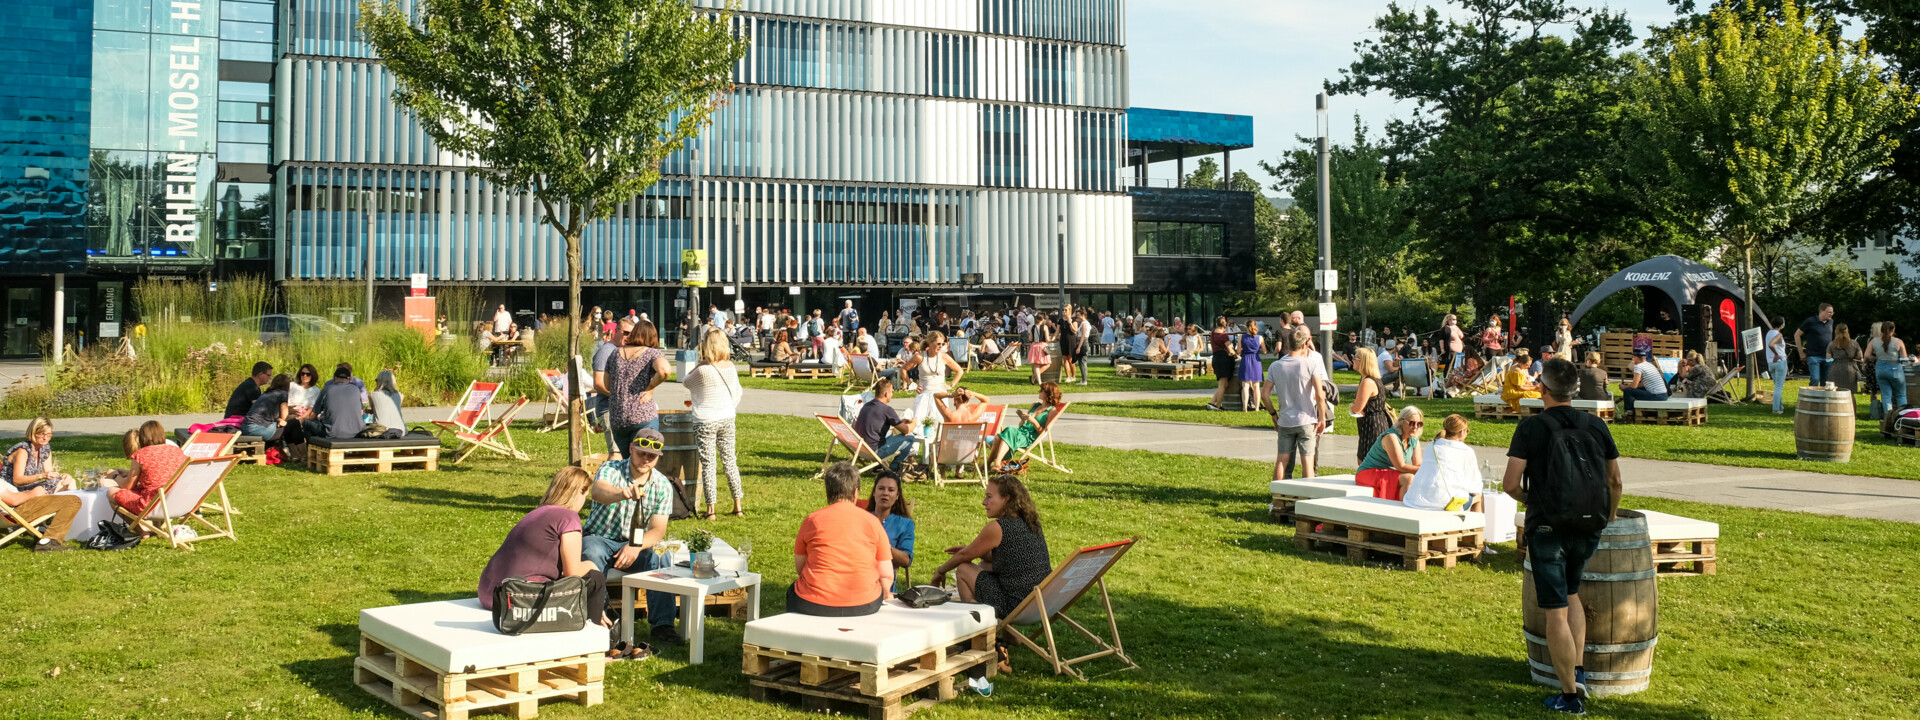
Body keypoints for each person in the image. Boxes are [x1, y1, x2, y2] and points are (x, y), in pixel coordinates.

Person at [1502, 358, 1623, 716]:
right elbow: (1615, 481)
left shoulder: (1531, 428)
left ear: (1542, 389)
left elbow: (1510, 484)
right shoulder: (1597, 425)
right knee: (1573, 594)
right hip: (1589, 525)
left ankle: (1569, 696)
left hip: (1548, 528)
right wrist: (1609, 515)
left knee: (1554, 610)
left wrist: (1532, 499)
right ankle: (1579, 672)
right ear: (1575, 390)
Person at [930, 474, 1051, 673]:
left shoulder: (999, 527)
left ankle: (983, 633)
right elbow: (1007, 557)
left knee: (963, 570)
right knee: (984, 563)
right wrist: (972, 551)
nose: (983, 502)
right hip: (1038, 601)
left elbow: (965, 557)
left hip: (1014, 604)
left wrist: (941, 570)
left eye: (989, 497)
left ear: (1007, 499)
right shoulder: (1030, 522)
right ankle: (1005, 632)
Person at [476, 467, 613, 632]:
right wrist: (592, 565)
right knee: (595, 578)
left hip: (489, 592)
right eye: (585, 494)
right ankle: (594, 636)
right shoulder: (569, 517)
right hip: (518, 597)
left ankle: (593, 621)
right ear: (579, 492)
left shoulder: (536, 513)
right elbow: (573, 572)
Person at [579, 430, 683, 645]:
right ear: (631, 449)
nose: (645, 459)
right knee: (592, 552)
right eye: (641, 453)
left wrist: (635, 546)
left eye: (651, 456)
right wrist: (622, 494)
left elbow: (657, 530)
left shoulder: (663, 485)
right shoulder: (610, 468)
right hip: (600, 537)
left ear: (658, 457)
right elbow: (598, 491)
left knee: (661, 558)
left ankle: (663, 626)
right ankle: (601, 620)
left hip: (634, 542)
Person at [790, 462, 894, 617]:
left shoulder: (812, 520)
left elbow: (801, 567)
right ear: (856, 492)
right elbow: (886, 574)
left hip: (813, 603)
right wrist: (886, 594)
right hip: (865, 603)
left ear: (828, 492)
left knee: (792, 591)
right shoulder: (872, 522)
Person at [687, 330, 745, 519]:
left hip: (706, 419)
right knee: (730, 461)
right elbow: (738, 391)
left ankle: (711, 509)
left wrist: (700, 364)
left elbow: (686, 382)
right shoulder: (730, 367)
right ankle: (738, 505)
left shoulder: (703, 370)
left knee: (708, 464)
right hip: (727, 417)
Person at [1264, 327, 1328, 480]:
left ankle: (1278, 499)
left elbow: (1264, 395)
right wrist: (1322, 417)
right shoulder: (1311, 364)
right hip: (1306, 419)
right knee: (1307, 463)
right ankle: (1306, 498)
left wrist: (1273, 414)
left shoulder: (1276, 366)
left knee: (1281, 461)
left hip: (1285, 420)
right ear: (1305, 344)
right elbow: (1319, 395)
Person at [606, 319, 672, 458]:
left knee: (628, 465)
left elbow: (607, 385)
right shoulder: (651, 353)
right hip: (643, 415)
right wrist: (650, 387)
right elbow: (665, 371)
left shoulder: (615, 354)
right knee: (644, 463)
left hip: (618, 418)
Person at [109, 421, 187, 526]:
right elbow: (158, 473)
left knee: (111, 492)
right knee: (154, 488)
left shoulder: (141, 455)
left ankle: (140, 531)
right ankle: (157, 527)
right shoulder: (176, 451)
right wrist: (128, 473)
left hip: (151, 506)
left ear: (142, 437)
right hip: (178, 502)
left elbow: (128, 486)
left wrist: (114, 476)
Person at [1403, 414, 1485, 513]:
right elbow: (1475, 485)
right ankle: (1477, 527)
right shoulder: (1466, 451)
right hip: (1443, 502)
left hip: (1415, 499)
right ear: (1462, 432)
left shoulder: (1432, 445)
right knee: (1479, 496)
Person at [986, 382, 1063, 473]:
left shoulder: (1052, 411)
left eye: (1041, 390)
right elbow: (1021, 426)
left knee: (1010, 430)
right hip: (1020, 433)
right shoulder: (1035, 405)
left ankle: (997, 463)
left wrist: (1034, 421)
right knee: (998, 437)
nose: (1039, 391)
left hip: (1029, 438)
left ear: (1048, 394)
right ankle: (987, 464)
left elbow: (1044, 432)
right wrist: (1023, 420)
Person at [1356, 406, 1424, 500]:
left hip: (1391, 472)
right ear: (1400, 421)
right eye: (1412, 423)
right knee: (1408, 478)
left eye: (1419, 424)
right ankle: (1401, 511)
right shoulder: (1391, 437)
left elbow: (1418, 464)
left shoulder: (1414, 439)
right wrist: (1426, 470)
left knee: (1420, 478)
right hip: (1369, 473)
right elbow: (1401, 466)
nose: (1415, 427)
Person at [863, 471, 915, 592]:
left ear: (897, 496)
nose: (885, 493)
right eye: (881, 488)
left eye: (891, 490)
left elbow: (906, 560)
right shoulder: (862, 518)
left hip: (885, 587)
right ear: (874, 493)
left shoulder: (905, 524)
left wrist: (884, 546)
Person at [856, 379, 921, 470]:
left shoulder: (866, 406)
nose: (892, 395)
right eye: (892, 392)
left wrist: (900, 421)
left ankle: (878, 466)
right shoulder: (886, 409)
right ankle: (895, 467)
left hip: (861, 448)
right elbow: (906, 430)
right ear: (886, 394)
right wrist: (914, 423)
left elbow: (878, 422)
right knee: (910, 437)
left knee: (889, 433)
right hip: (876, 451)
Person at [1349, 347, 1394, 466]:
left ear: (1363, 362)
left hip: (1372, 426)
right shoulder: (1374, 379)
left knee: (1366, 462)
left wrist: (1352, 405)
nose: (1353, 360)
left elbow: (1357, 408)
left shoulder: (1367, 382)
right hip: (1376, 423)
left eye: (1355, 358)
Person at [304, 366, 368, 440]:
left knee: (306, 423)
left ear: (334, 378)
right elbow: (361, 412)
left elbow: (313, 415)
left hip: (332, 433)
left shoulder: (327, 390)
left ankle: (311, 448)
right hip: (357, 432)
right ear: (349, 379)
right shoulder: (356, 390)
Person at [915, 332, 966, 424]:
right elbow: (903, 370)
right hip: (924, 393)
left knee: (940, 422)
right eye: (938, 344)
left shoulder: (944, 356)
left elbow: (960, 371)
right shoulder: (920, 356)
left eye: (942, 344)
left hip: (940, 393)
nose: (941, 346)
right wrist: (912, 385)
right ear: (930, 343)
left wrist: (951, 385)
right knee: (919, 421)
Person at [1868, 321, 1909, 417]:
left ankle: (1888, 418)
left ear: (1881, 330)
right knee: (1901, 395)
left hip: (1880, 370)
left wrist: (1877, 358)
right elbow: (1904, 358)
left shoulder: (1874, 341)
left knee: (1886, 395)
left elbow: (1867, 355)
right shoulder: (1898, 341)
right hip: (1895, 369)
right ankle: (1902, 417)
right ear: (1893, 330)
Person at [241, 373, 293, 446]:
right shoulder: (283, 393)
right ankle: (298, 455)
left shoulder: (266, 394)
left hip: (246, 428)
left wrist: (280, 418)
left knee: (277, 426)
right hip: (259, 430)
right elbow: (284, 418)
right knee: (293, 424)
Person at [1796, 303, 1836, 388]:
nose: (1831, 314)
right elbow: (1797, 335)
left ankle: (1823, 400)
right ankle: (1812, 400)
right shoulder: (1810, 321)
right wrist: (1801, 352)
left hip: (1827, 356)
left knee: (1826, 381)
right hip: (1813, 356)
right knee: (1815, 379)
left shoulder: (1831, 322)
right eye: (1829, 312)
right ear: (1821, 311)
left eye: (1832, 312)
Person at [1619, 349, 1668, 414]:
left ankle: (1629, 412)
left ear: (1636, 358)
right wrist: (1628, 385)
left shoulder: (1638, 367)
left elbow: (1634, 386)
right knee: (1633, 389)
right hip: (1663, 395)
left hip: (1656, 396)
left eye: (1632, 357)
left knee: (1628, 391)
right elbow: (1644, 384)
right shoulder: (1650, 365)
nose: (1632, 359)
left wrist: (1625, 387)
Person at [1206, 317, 1238, 411]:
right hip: (1223, 359)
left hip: (1215, 358)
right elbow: (1230, 349)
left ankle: (1212, 402)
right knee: (1222, 385)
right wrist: (1236, 355)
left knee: (1223, 383)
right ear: (1225, 324)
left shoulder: (1213, 333)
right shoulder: (1223, 335)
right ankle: (1218, 406)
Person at [1238, 320, 1266, 412]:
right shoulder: (1260, 338)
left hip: (1245, 360)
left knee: (1245, 386)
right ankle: (1257, 407)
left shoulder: (1241, 337)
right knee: (1256, 386)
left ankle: (1244, 408)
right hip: (1256, 360)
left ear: (1246, 326)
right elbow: (1265, 351)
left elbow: (1238, 351)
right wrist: (1257, 350)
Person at [1828, 323, 1862, 393]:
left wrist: (1834, 359)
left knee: (1835, 393)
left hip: (1835, 370)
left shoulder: (1832, 344)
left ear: (1836, 331)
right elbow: (1860, 356)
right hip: (1850, 370)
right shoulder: (1854, 343)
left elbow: (1828, 359)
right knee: (1850, 393)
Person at [1765, 317, 1789, 414]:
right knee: (1779, 387)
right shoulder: (1779, 334)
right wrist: (1776, 354)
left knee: (1777, 386)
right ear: (1781, 325)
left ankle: (1780, 406)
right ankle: (1776, 409)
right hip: (1780, 361)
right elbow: (1771, 344)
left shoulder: (1768, 333)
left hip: (1771, 363)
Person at [1026, 317, 1055, 385]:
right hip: (1042, 346)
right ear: (1042, 320)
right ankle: (1034, 376)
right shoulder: (1044, 327)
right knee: (1048, 364)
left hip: (1034, 346)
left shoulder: (1032, 327)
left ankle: (1039, 381)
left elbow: (1030, 338)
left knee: (1036, 365)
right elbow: (1047, 339)